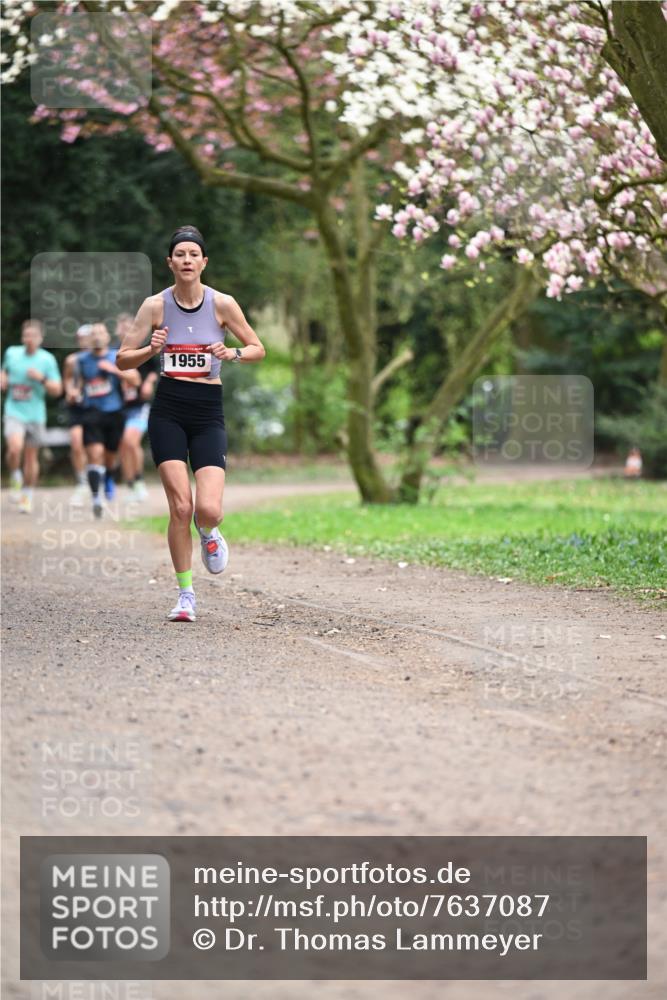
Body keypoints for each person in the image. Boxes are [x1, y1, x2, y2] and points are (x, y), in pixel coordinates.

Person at [117, 225, 266, 622]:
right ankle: (186, 595)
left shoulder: (223, 304)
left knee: (208, 509)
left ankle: (210, 533)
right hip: (168, 409)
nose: (186, 260)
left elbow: (258, 348)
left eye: (192, 254)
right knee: (180, 507)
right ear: (170, 262)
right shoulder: (154, 306)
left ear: (203, 262)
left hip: (207, 411)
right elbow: (122, 359)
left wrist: (231, 354)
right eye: (179, 254)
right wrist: (151, 348)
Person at [78, 322, 140, 518]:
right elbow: (78, 384)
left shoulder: (116, 356)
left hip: (114, 412)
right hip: (91, 412)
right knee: (94, 454)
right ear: (89, 339)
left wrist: (113, 370)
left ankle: (109, 477)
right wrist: (73, 392)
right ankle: (97, 498)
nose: (97, 337)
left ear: (107, 337)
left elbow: (135, 380)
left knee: (110, 457)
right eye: (93, 334)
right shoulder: (81, 360)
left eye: (101, 333)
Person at [1, 319, 62, 513]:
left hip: (35, 414)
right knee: (14, 448)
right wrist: (2, 378)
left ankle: (27, 494)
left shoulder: (46, 360)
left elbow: (57, 390)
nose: (29, 339)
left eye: (33, 336)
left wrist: (41, 378)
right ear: (22, 337)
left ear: (40, 338)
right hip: (14, 410)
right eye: (26, 335)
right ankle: (15, 475)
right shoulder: (12, 353)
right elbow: (4, 371)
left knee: (30, 456)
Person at [120, 351, 159, 501]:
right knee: (123, 446)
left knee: (131, 441)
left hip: (140, 406)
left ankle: (139, 481)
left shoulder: (145, 347)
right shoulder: (115, 351)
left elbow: (158, 367)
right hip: (119, 407)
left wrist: (149, 382)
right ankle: (130, 485)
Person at [62, 323, 93, 506]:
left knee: (95, 448)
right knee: (76, 442)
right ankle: (82, 483)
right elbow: (67, 378)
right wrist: (70, 391)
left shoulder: (100, 358)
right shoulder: (71, 360)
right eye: (81, 338)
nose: (85, 341)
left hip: (96, 407)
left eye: (88, 338)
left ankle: (98, 480)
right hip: (77, 407)